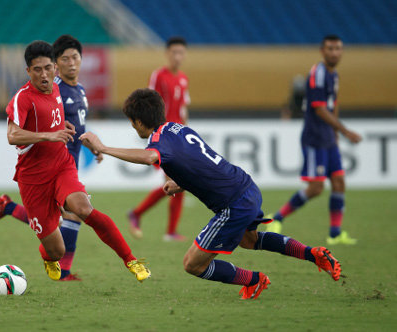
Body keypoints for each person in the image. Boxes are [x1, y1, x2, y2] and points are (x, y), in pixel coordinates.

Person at [79, 88, 342, 300]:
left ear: (137, 122)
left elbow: (150, 157)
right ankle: (313, 253)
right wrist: (179, 184)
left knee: (192, 264)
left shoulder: (159, 141)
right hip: (247, 187)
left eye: (131, 122)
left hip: (233, 204)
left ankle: (254, 280)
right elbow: (203, 165)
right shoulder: (179, 129)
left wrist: (103, 147)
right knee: (249, 241)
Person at [0, 40, 150, 283]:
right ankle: (49, 257)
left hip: (62, 165)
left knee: (83, 209)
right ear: (28, 71)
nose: (44, 75)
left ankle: (131, 260)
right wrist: (49, 135)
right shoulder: (23, 98)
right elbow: (12, 135)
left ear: (54, 68)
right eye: (37, 70)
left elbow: (55, 120)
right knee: (57, 250)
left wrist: (64, 129)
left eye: (48, 68)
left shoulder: (59, 89)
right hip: (33, 179)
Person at [0, 35, 101, 281]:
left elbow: (76, 124)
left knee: (59, 218)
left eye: (75, 58)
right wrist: (49, 137)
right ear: (57, 64)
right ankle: (64, 271)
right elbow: (25, 128)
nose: (71, 63)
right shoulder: (50, 86)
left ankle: (9, 208)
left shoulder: (79, 90)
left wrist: (93, 145)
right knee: (69, 215)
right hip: (53, 161)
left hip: (71, 157)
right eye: (65, 59)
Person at [265, 35, 362, 245]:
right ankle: (277, 217)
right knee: (316, 188)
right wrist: (345, 131)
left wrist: (335, 133)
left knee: (339, 182)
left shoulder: (333, 75)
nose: (335, 52)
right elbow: (319, 108)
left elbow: (332, 104)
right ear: (322, 51)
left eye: (338, 49)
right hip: (315, 139)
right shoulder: (317, 74)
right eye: (331, 48)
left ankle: (335, 234)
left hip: (328, 137)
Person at [127, 36, 190, 242]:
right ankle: (138, 214)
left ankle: (169, 230)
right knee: (173, 182)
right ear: (167, 53)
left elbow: (183, 109)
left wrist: (185, 133)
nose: (178, 56)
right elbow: (149, 103)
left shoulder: (183, 78)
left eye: (181, 52)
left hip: (178, 136)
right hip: (163, 137)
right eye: (174, 52)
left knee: (179, 184)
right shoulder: (159, 76)